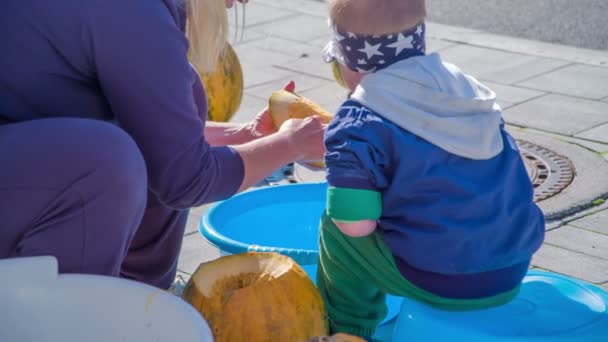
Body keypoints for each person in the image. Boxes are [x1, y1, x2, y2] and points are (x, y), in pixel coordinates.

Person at [0, 0, 325, 290]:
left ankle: (134, 301)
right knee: (106, 165)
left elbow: (163, 135)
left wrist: (247, 137)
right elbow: (185, 180)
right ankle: (61, 318)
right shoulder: (132, 12)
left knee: (148, 138)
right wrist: (289, 145)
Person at [317, 0, 545, 337]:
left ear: (349, 63)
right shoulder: (468, 93)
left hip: (440, 280)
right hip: (511, 268)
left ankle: (349, 329)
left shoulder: (358, 122)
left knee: (335, 231)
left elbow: (354, 225)